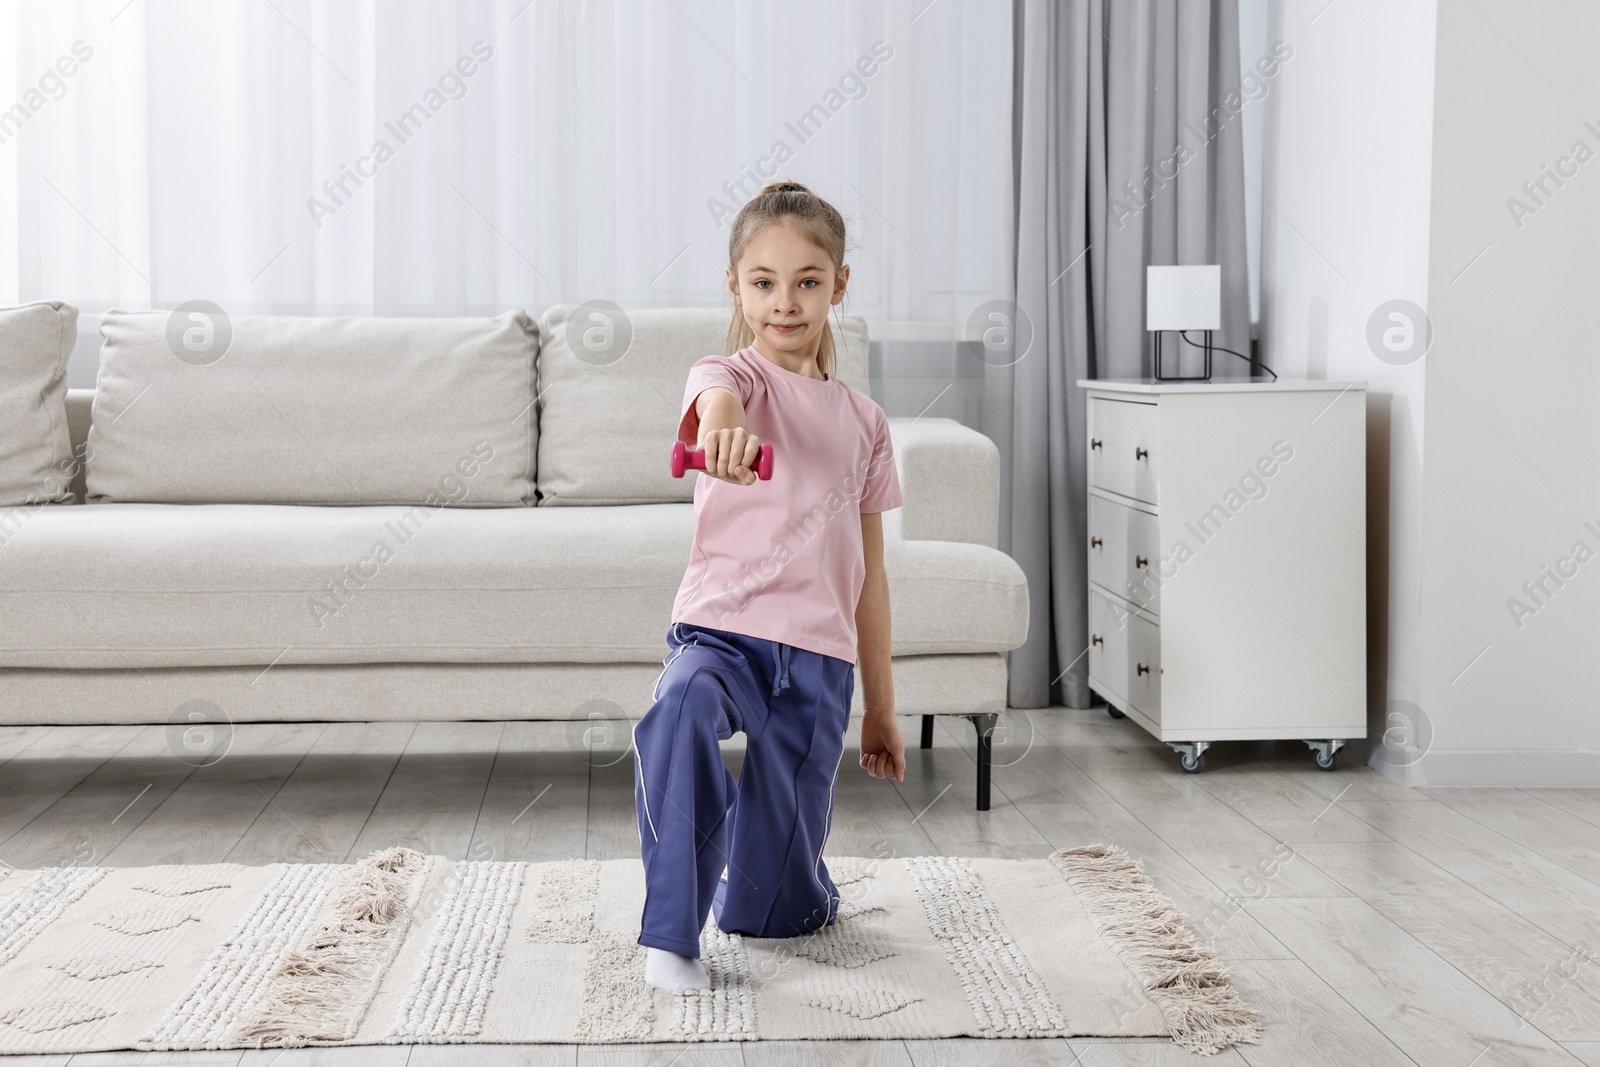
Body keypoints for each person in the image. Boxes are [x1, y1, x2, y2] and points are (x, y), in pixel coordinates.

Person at [632, 180, 907, 992]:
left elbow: (870, 576)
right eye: (763, 282)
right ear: (734, 285)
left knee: (771, 912)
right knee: (678, 708)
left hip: (819, 660)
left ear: (840, 284)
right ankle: (672, 929)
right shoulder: (729, 376)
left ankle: (776, 885)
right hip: (721, 634)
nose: (784, 303)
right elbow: (715, 404)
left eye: (807, 281)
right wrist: (721, 434)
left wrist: (883, 706)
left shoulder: (866, 423)